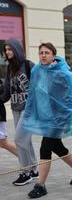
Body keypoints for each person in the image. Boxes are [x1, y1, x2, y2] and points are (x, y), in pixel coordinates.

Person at [22, 42, 72, 198]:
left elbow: (69, 98)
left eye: (46, 52)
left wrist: (66, 119)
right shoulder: (37, 70)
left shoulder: (62, 73)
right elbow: (33, 93)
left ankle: (40, 185)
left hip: (58, 119)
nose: (43, 55)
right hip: (45, 117)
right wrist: (30, 113)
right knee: (57, 146)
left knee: (45, 147)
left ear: (53, 55)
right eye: (41, 53)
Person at [1, 38, 38, 186]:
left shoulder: (29, 66)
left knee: (18, 139)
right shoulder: (10, 68)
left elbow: (41, 83)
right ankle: (34, 169)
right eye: (6, 50)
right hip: (15, 108)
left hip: (28, 109)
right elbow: (6, 92)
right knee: (25, 140)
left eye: (10, 49)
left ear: (16, 49)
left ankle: (25, 172)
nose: (8, 52)